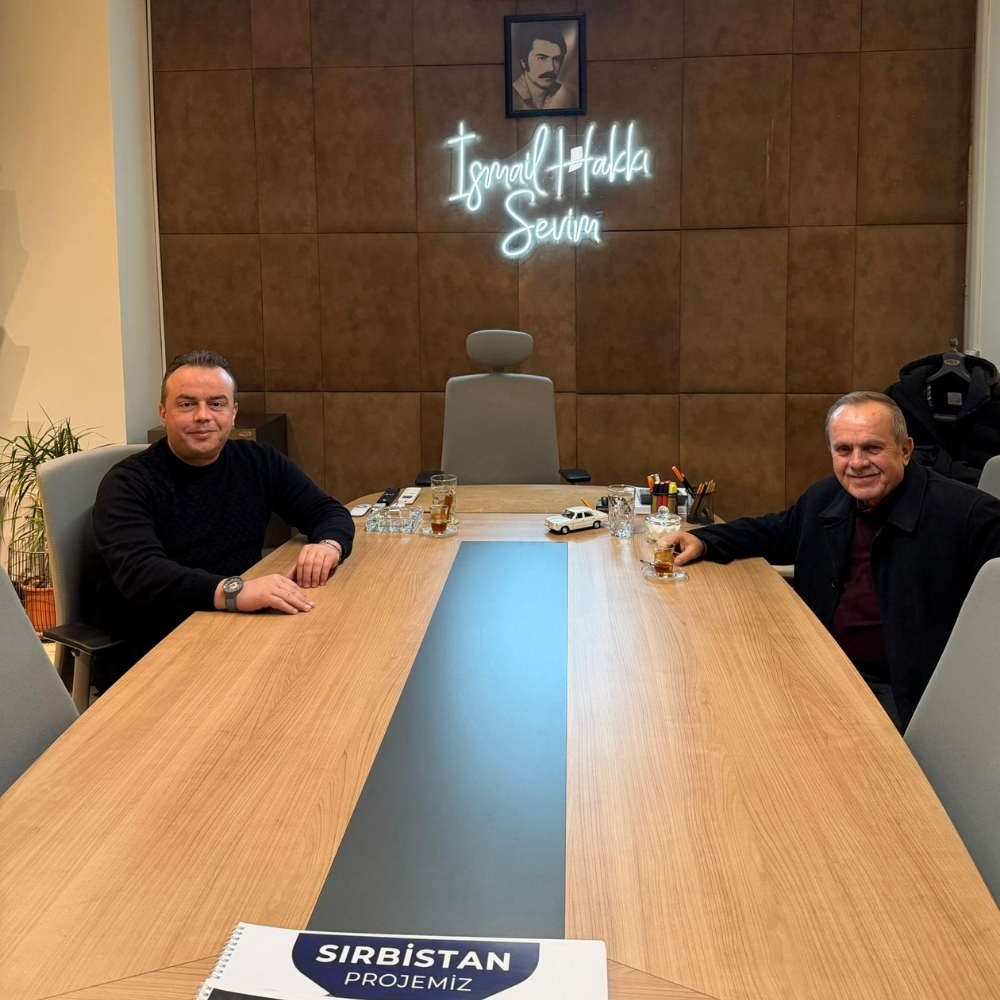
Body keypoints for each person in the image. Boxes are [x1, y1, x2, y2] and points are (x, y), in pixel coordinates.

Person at [665, 391, 1000, 731]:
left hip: (907, 696)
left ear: (905, 450)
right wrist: (705, 540)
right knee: (713, 707)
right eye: (844, 450)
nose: (857, 462)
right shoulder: (826, 497)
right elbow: (773, 531)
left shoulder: (971, 516)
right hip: (818, 666)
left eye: (872, 448)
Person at [92, 350, 355, 690]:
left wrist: (329, 546)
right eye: (187, 404)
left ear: (233, 414)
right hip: (155, 647)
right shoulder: (127, 483)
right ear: (164, 413)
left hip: (238, 628)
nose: (203, 416)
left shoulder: (258, 461)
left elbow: (326, 510)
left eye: (216, 404)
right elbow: (141, 573)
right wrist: (234, 592)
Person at [511, 24, 578, 112]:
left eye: (556, 59)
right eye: (542, 58)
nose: (551, 68)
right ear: (523, 61)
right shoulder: (511, 96)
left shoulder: (566, 96)